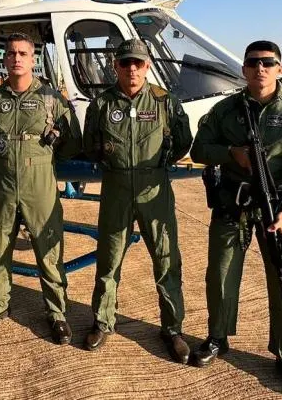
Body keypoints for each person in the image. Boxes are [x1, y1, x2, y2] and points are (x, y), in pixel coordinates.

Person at [189, 40, 282, 397]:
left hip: (279, 209)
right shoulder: (225, 111)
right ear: (244, 69)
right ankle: (218, 337)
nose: (260, 68)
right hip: (233, 205)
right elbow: (199, 150)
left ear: (279, 69)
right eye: (253, 63)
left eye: (268, 63)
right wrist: (231, 154)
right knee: (220, 275)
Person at [81, 38, 193, 364]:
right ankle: (103, 321)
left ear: (147, 66)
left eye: (138, 63)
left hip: (153, 190)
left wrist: (159, 163)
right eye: (125, 62)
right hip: (116, 188)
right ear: (115, 65)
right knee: (109, 259)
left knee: (166, 260)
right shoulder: (101, 104)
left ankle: (172, 329)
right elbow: (91, 146)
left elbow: (183, 141)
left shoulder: (164, 102)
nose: (132, 68)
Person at [0, 32, 82, 343]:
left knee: (49, 251)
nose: (16, 58)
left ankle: (57, 313)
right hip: (2, 185)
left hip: (40, 187)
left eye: (22, 53)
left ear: (32, 59)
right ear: (5, 60)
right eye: (10, 53)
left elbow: (70, 143)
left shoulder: (51, 99)